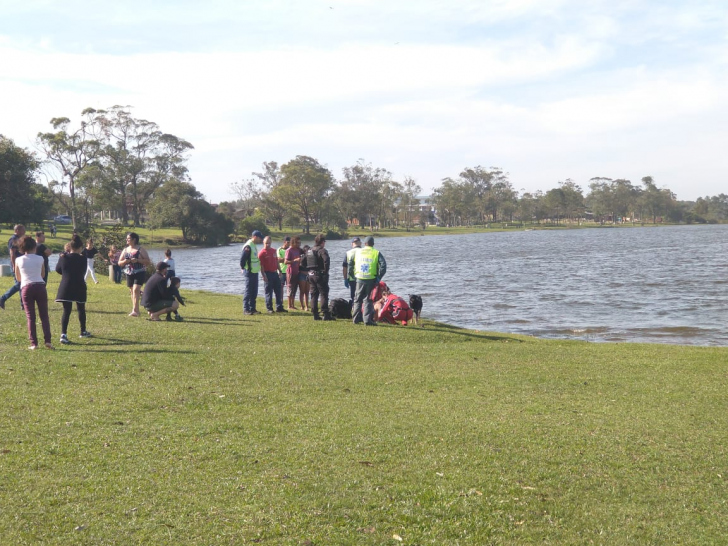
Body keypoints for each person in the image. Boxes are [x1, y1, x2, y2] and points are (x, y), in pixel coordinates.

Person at [14, 236, 53, 350]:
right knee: (44, 315)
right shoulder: (40, 258)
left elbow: (18, 277)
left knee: (31, 317)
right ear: (34, 246)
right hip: (40, 286)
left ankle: (33, 343)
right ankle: (48, 341)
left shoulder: (18, 260)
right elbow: (43, 274)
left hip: (26, 287)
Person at [55, 234, 91, 344]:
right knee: (81, 308)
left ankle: (63, 334)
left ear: (70, 247)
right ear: (80, 248)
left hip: (66, 286)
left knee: (67, 310)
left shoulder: (63, 258)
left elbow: (58, 269)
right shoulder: (83, 259)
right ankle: (83, 331)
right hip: (79, 285)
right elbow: (84, 271)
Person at [349, 235, 387, 325]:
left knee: (357, 299)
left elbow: (350, 263)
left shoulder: (358, 252)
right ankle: (367, 320)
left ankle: (355, 319)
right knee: (368, 300)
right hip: (371, 279)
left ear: (364, 243)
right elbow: (383, 265)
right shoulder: (376, 253)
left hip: (359, 278)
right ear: (373, 244)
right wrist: (379, 277)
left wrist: (352, 275)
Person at [118, 232, 151, 317]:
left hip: (140, 272)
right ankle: (135, 309)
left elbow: (147, 261)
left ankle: (135, 310)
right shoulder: (125, 250)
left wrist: (137, 260)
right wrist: (126, 261)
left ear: (134, 240)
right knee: (132, 291)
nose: (127, 240)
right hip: (129, 272)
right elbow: (119, 263)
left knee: (136, 289)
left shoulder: (140, 249)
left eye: (128, 238)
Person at [307, 233, 334, 321]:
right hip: (319, 274)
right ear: (322, 242)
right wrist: (325, 271)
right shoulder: (322, 250)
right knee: (324, 293)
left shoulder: (309, 250)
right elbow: (326, 260)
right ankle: (325, 314)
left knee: (314, 294)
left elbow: (303, 262)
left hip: (310, 274)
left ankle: (315, 314)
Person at [258, 236, 287, 313]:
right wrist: (263, 275)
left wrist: (279, 271)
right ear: (263, 243)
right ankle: (269, 308)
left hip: (275, 273)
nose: (268, 244)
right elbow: (261, 266)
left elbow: (276, 261)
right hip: (267, 273)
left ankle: (279, 307)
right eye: (266, 243)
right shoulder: (261, 253)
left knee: (278, 291)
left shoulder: (274, 251)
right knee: (268, 292)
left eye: (269, 243)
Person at [0, 224, 26, 311]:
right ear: (17, 230)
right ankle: (3, 298)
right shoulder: (13, 239)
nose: (24, 232)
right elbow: (12, 253)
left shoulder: (19, 239)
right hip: (16, 264)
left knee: (22, 284)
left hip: (21, 264)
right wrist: (14, 265)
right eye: (23, 230)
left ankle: (23, 304)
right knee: (19, 284)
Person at [240, 230, 263, 315]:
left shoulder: (253, 245)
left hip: (255, 271)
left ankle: (253, 308)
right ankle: (246, 309)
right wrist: (242, 268)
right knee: (248, 291)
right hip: (249, 271)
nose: (261, 240)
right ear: (255, 237)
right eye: (260, 238)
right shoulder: (248, 246)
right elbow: (242, 258)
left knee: (254, 291)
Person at [284, 236, 303, 310]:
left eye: (300, 243)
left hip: (297, 271)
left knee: (295, 288)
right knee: (290, 288)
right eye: (298, 243)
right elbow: (286, 261)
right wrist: (294, 260)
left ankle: (293, 304)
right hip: (290, 272)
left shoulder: (298, 250)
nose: (299, 244)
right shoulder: (289, 250)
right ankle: (289, 305)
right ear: (293, 242)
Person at [343, 237, 361, 310]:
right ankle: (362, 311)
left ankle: (354, 310)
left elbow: (344, 268)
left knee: (353, 296)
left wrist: (345, 279)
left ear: (352, 244)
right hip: (363, 277)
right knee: (363, 296)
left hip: (352, 278)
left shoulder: (348, 253)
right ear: (360, 243)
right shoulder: (364, 251)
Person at [298, 244, 312, 311]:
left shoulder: (310, 257)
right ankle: (302, 306)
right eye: (307, 250)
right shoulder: (301, 257)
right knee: (302, 291)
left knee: (307, 291)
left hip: (308, 275)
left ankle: (306, 306)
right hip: (302, 274)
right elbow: (300, 265)